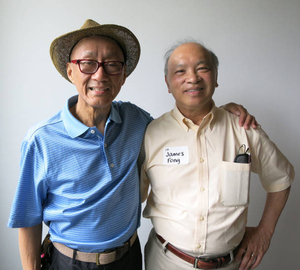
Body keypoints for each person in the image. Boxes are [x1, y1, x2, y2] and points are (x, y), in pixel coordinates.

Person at [8, 20, 257, 270]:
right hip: (69, 262)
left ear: (124, 75)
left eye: (112, 65)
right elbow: (28, 218)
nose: (100, 74)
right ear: (70, 71)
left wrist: (220, 113)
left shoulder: (136, 121)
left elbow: (179, 131)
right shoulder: (41, 140)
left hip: (128, 259)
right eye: (88, 63)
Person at [140, 40, 294, 270]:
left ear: (216, 76)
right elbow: (132, 197)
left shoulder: (243, 129)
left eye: (202, 68)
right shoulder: (150, 134)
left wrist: (264, 232)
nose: (192, 78)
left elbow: (281, 178)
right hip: (166, 262)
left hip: (231, 264)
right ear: (168, 83)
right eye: (180, 71)